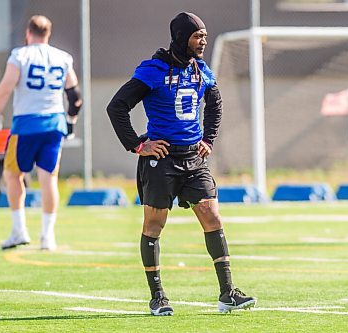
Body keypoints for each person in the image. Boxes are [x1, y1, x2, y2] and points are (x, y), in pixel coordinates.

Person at [107, 12, 256, 316]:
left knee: (212, 216)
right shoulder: (153, 70)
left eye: (204, 35)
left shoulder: (201, 70)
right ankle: (158, 296)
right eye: (197, 35)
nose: (203, 41)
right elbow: (117, 106)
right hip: (161, 160)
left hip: (193, 158)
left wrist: (208, 140)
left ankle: (228, 293)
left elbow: (215, 103)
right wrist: (137, 145)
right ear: (181, 37)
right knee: (154, 225)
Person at [0, 15, 82, 250]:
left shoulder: (20, 55)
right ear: (48, 34)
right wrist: (70, 124)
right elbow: (75, 98)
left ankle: (19, 230)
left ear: (28, 33)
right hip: (54, 123)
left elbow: (5, 89)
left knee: (12, 174)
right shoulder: (62, 57)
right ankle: (47, 237)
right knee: (49, 179)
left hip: (26, 124)